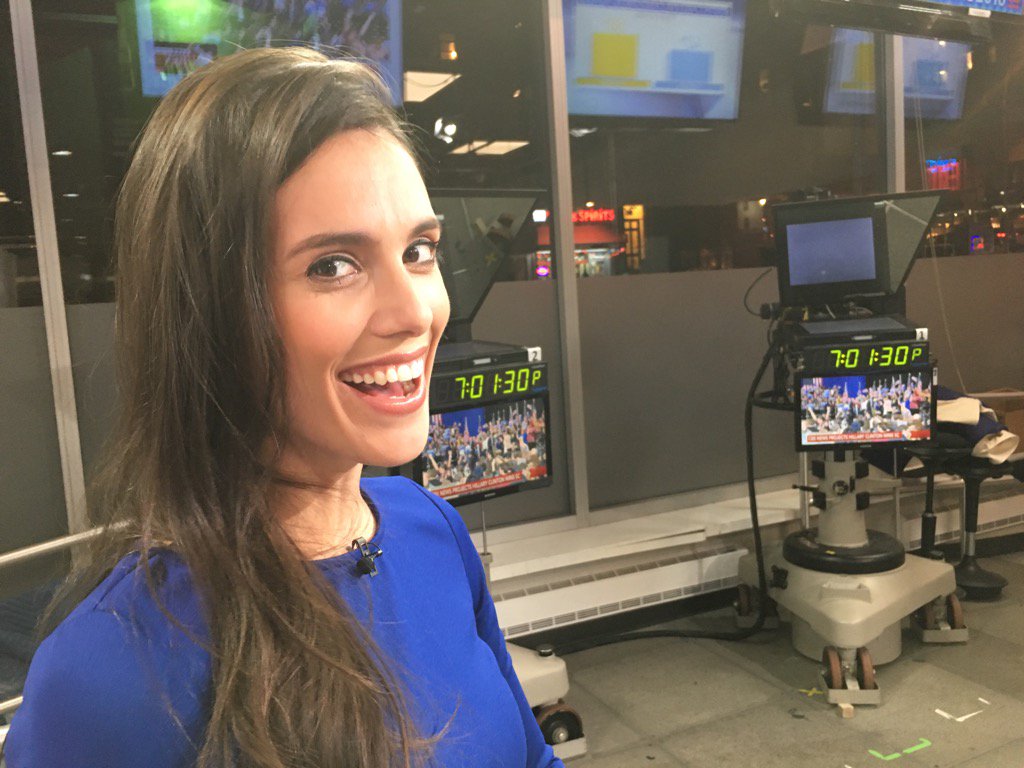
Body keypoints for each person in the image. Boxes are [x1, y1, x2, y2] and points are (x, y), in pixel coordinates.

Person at [3, 47, 563, 768]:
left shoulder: (433, 528)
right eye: (334, 265)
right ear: (208, 314)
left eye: (419, 251)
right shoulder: (105, 679)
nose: (416, 313)